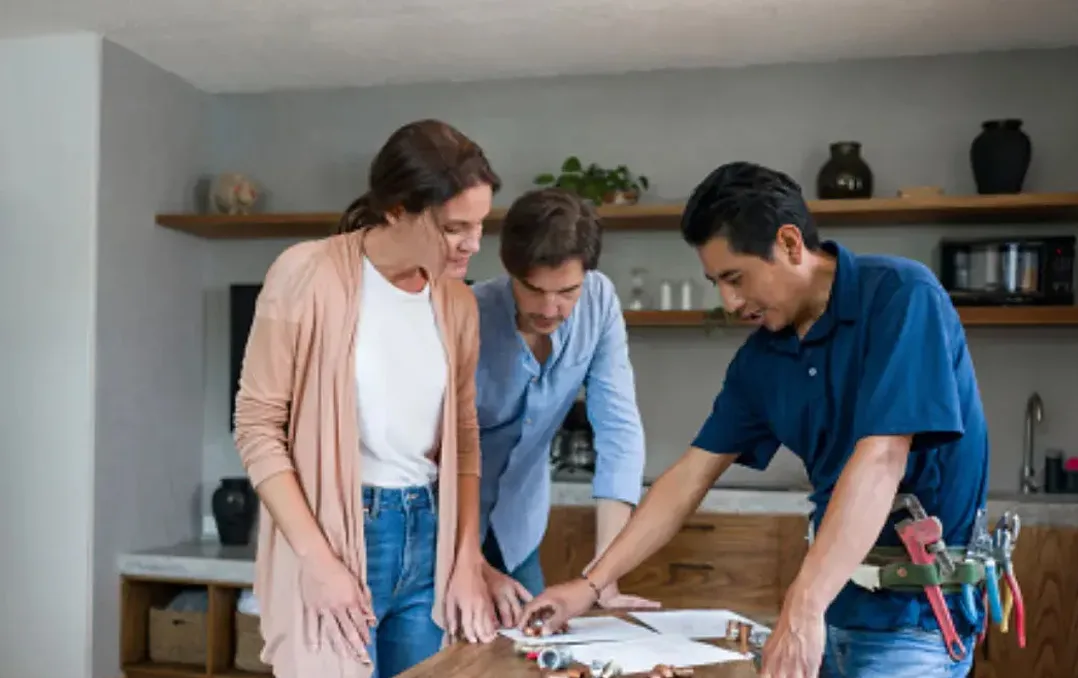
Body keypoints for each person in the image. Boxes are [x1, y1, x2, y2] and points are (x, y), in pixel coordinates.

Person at [518, 162, 990, 678]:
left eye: (735, 278)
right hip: (832, 612)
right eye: (717, 282)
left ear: (789, 244)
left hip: (915, 623)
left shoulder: (901, 296)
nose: (729, 302)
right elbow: (689, 476)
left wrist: (803, 606)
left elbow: (881, 459)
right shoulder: (762, 358)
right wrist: (589, 585)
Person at [233, 119, 504, 678]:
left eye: (480, 225)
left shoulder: (457, 303)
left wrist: (466, 559)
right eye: (455, 228)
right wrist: (318, 563)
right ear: (398, 210)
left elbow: (464, 440)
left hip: (430, 538)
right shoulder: (305, 274)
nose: (474, 244)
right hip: (338, 539)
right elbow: (257, 427)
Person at [466, 188, 658, 626]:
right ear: (510, 270)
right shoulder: (470, 314)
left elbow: (619, 430)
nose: (550, 308)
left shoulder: (599, 302)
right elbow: (435, 455)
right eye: (533, 289)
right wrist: (471, 565)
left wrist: (604, 575)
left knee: (531, 647)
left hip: (518, 528)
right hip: (444, 532)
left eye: (568, 291)